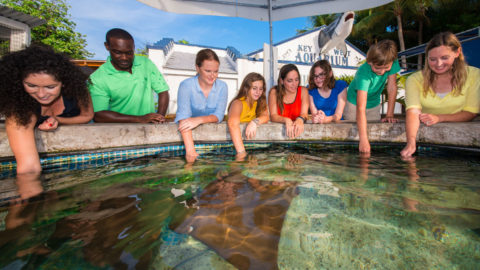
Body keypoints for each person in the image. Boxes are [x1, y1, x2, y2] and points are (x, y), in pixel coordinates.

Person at [0, 45, 93, 174]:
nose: (41, 94)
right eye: (31, 85)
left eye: (50, 87)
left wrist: (57, 119)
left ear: (63, 82)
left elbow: (87, 116)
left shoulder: (77, 90)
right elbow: (29, 167)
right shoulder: (19, 110)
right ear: (19, 82)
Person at [401, 32, 480, 157]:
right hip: (428, 149)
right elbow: (413, 112)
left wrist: (439, 118)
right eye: (432, 59)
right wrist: (411, 142)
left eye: (444, 58)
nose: (438, 64)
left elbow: (471, 112)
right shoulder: (414, 79)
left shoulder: (474, 75)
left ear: (457, 52)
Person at [88, 28, 169, 123]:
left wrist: (159, 118)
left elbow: (163, 91)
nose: (124, 58)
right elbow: (99, 115)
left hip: (148, 129)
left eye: (129, 53)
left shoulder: (145, 63)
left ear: (133, 47)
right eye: (118, 52)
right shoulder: (97, 78)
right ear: (107, 46)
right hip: (118, 131)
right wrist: (139, 119)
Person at [343, 40, 400, 155]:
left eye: (386, 68)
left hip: (374, 103)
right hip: (354, 104)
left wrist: (389, 114)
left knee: (372, 132)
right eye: (378, 68)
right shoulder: (363, 73)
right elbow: (360, 107)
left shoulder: (392, 61)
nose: (382, 71)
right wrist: (363, 140)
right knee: (354, 134)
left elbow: (392, 87)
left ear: (392, 62)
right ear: (370, 62)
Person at [175, 49, 228, 162]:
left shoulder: (223, 86)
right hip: (188, 134)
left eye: (216, 71)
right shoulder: (186, 86)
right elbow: (183, 118)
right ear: (197, 68)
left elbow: (219, 115)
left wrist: (199, 120)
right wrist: (190, 151)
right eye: (208, 71)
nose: (212, 76)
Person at [227, 72, 269, 159]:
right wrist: (241, 153)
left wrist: (254, 122)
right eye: (254, 88)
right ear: (246, 88)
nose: (258, 92)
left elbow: (266, 117)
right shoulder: (238, 103)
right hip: (231, 147)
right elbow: (232, 125)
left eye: (261, 89)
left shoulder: (260, 102)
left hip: (251, 145)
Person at [268, 64, 309, 138]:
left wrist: (300, 119)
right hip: (278, 135)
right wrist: (286, 120)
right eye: (290, 81)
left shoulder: (303, 91)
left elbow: (304, 114)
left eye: (296, 80)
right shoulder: (274, 92)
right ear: (282, 81)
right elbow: (273, 116)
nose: (294, 84)